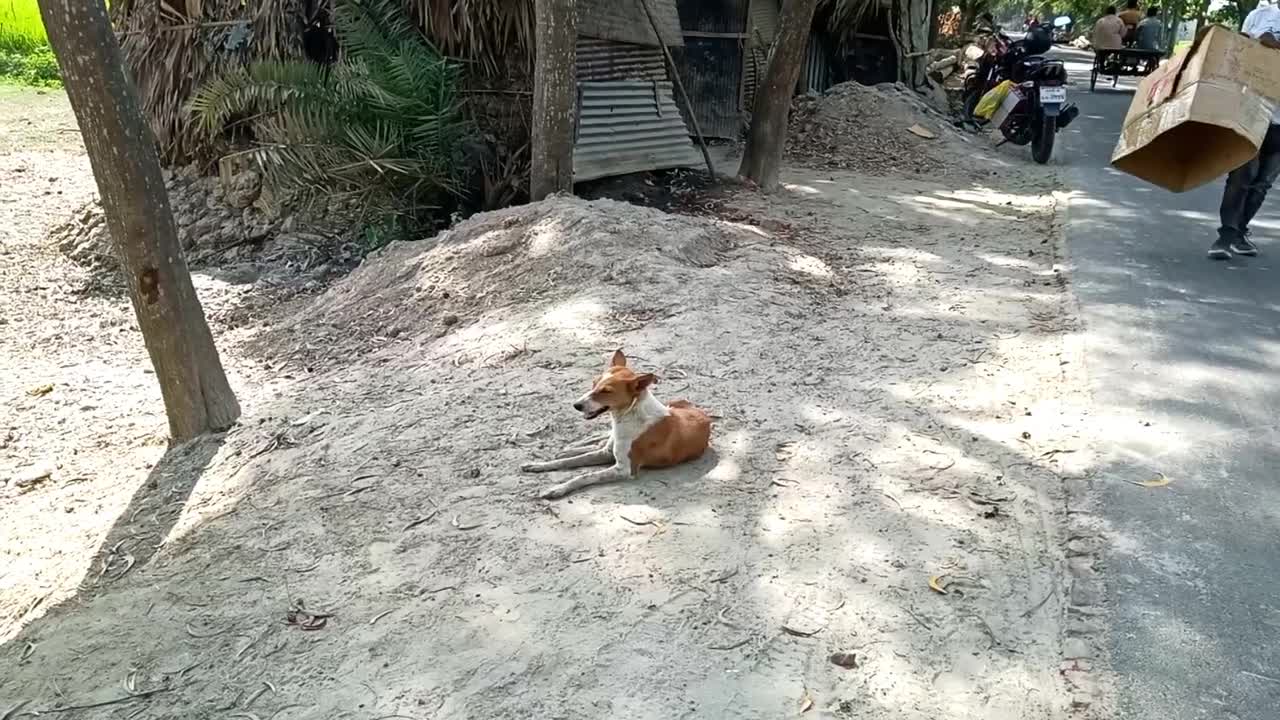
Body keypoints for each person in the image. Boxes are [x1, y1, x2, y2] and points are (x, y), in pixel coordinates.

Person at [1209, 2, 1280, 258]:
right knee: (1241, 177)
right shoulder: (1259, 14)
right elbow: (1240, 57)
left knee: (1262, 184)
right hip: (1251, 112)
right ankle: (1225, 237)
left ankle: (1239, 232)